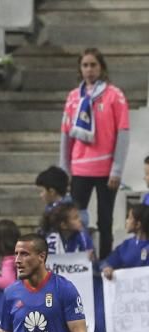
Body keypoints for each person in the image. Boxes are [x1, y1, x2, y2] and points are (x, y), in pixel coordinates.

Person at [60, 48, 129, 260]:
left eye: (93, 65)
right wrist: (65, 171)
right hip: (80, 168)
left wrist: (116, 169)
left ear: (101, 68)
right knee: (74, 219)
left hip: (106, 170)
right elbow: (65, 136)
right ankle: (78, 260)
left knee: (105, 220)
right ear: (80, 69)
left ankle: (105, 262)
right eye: (85, 65)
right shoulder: (73, 97)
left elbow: (123, 133)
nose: (89, 70)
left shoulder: (114, 95)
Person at [101, 204, 149, 279]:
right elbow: (109, 262)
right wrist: (107, 268)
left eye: (129, 218)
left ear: (138, 224)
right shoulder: (126, 245)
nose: (126, 221)